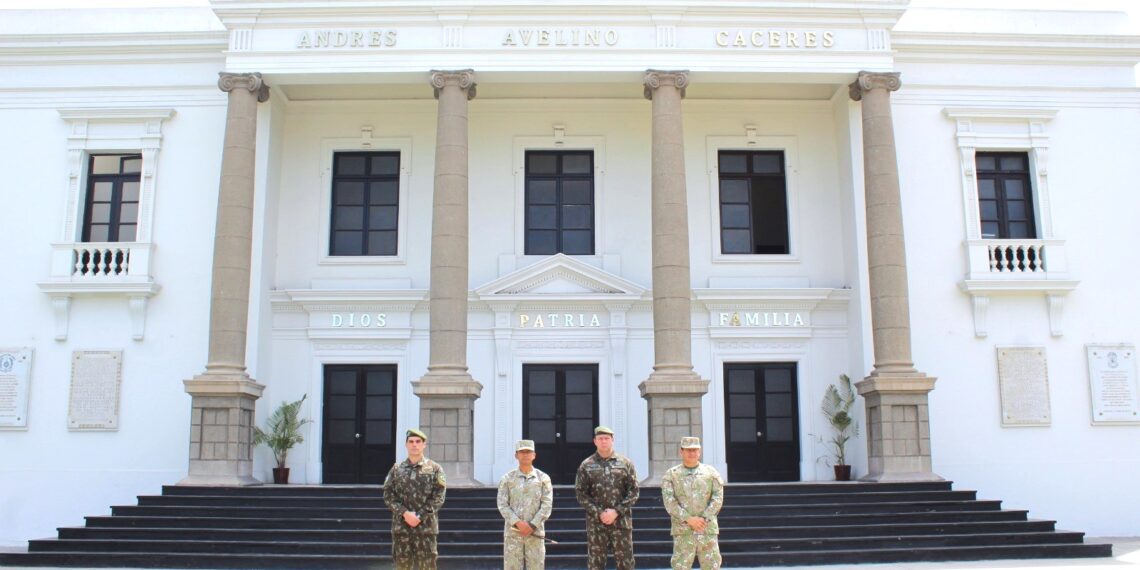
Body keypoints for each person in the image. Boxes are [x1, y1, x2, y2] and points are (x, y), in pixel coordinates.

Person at [575, 425, 640, 570]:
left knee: (626, 564)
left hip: (621, 523)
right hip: (596, 523)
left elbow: (634, 491)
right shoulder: (586, 465)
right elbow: (581, 494)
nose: (604, 441)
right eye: (600, 438)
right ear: (595, 441)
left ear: (612, 440)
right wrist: (599, 513)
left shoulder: (625, 463)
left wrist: (616, 511)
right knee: (596, 565)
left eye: (607, 438)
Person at [382, 428, 447, 570]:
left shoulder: (435, 468)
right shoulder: (396, 469)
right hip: (401, 528)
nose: (414, 445)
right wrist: (405, 513)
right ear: (406, 445)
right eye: (411, 442)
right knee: (402, 566)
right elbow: (388, 494)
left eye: (418, 441)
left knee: (427, 566)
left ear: (424, 445)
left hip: (426, 528)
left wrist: (419, 515)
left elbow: (439, 496)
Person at [660, 437, 724, 570]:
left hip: (706, 529)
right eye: (688, 450)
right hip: (683, 530)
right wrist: (689, 519)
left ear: (699, 452)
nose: (692, 453)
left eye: (694, 450)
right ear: (681, 452)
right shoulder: (672, 474)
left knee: (711, 566)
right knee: (681, 567)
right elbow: (669, 501)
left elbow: (717, 497)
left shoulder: (711, 472)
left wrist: (703, 518)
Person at [497, 439, 554, 570]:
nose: (525, 454)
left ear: (534, 455)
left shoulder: (543, 478)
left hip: (535, 532)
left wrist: (532, 524)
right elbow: (502, 504)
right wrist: (518, 523)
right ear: (516, 455)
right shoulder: (507, 478)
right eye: (522, 452)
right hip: (513, 533)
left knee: (536, 567)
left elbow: (547, 505)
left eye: (529, 452)